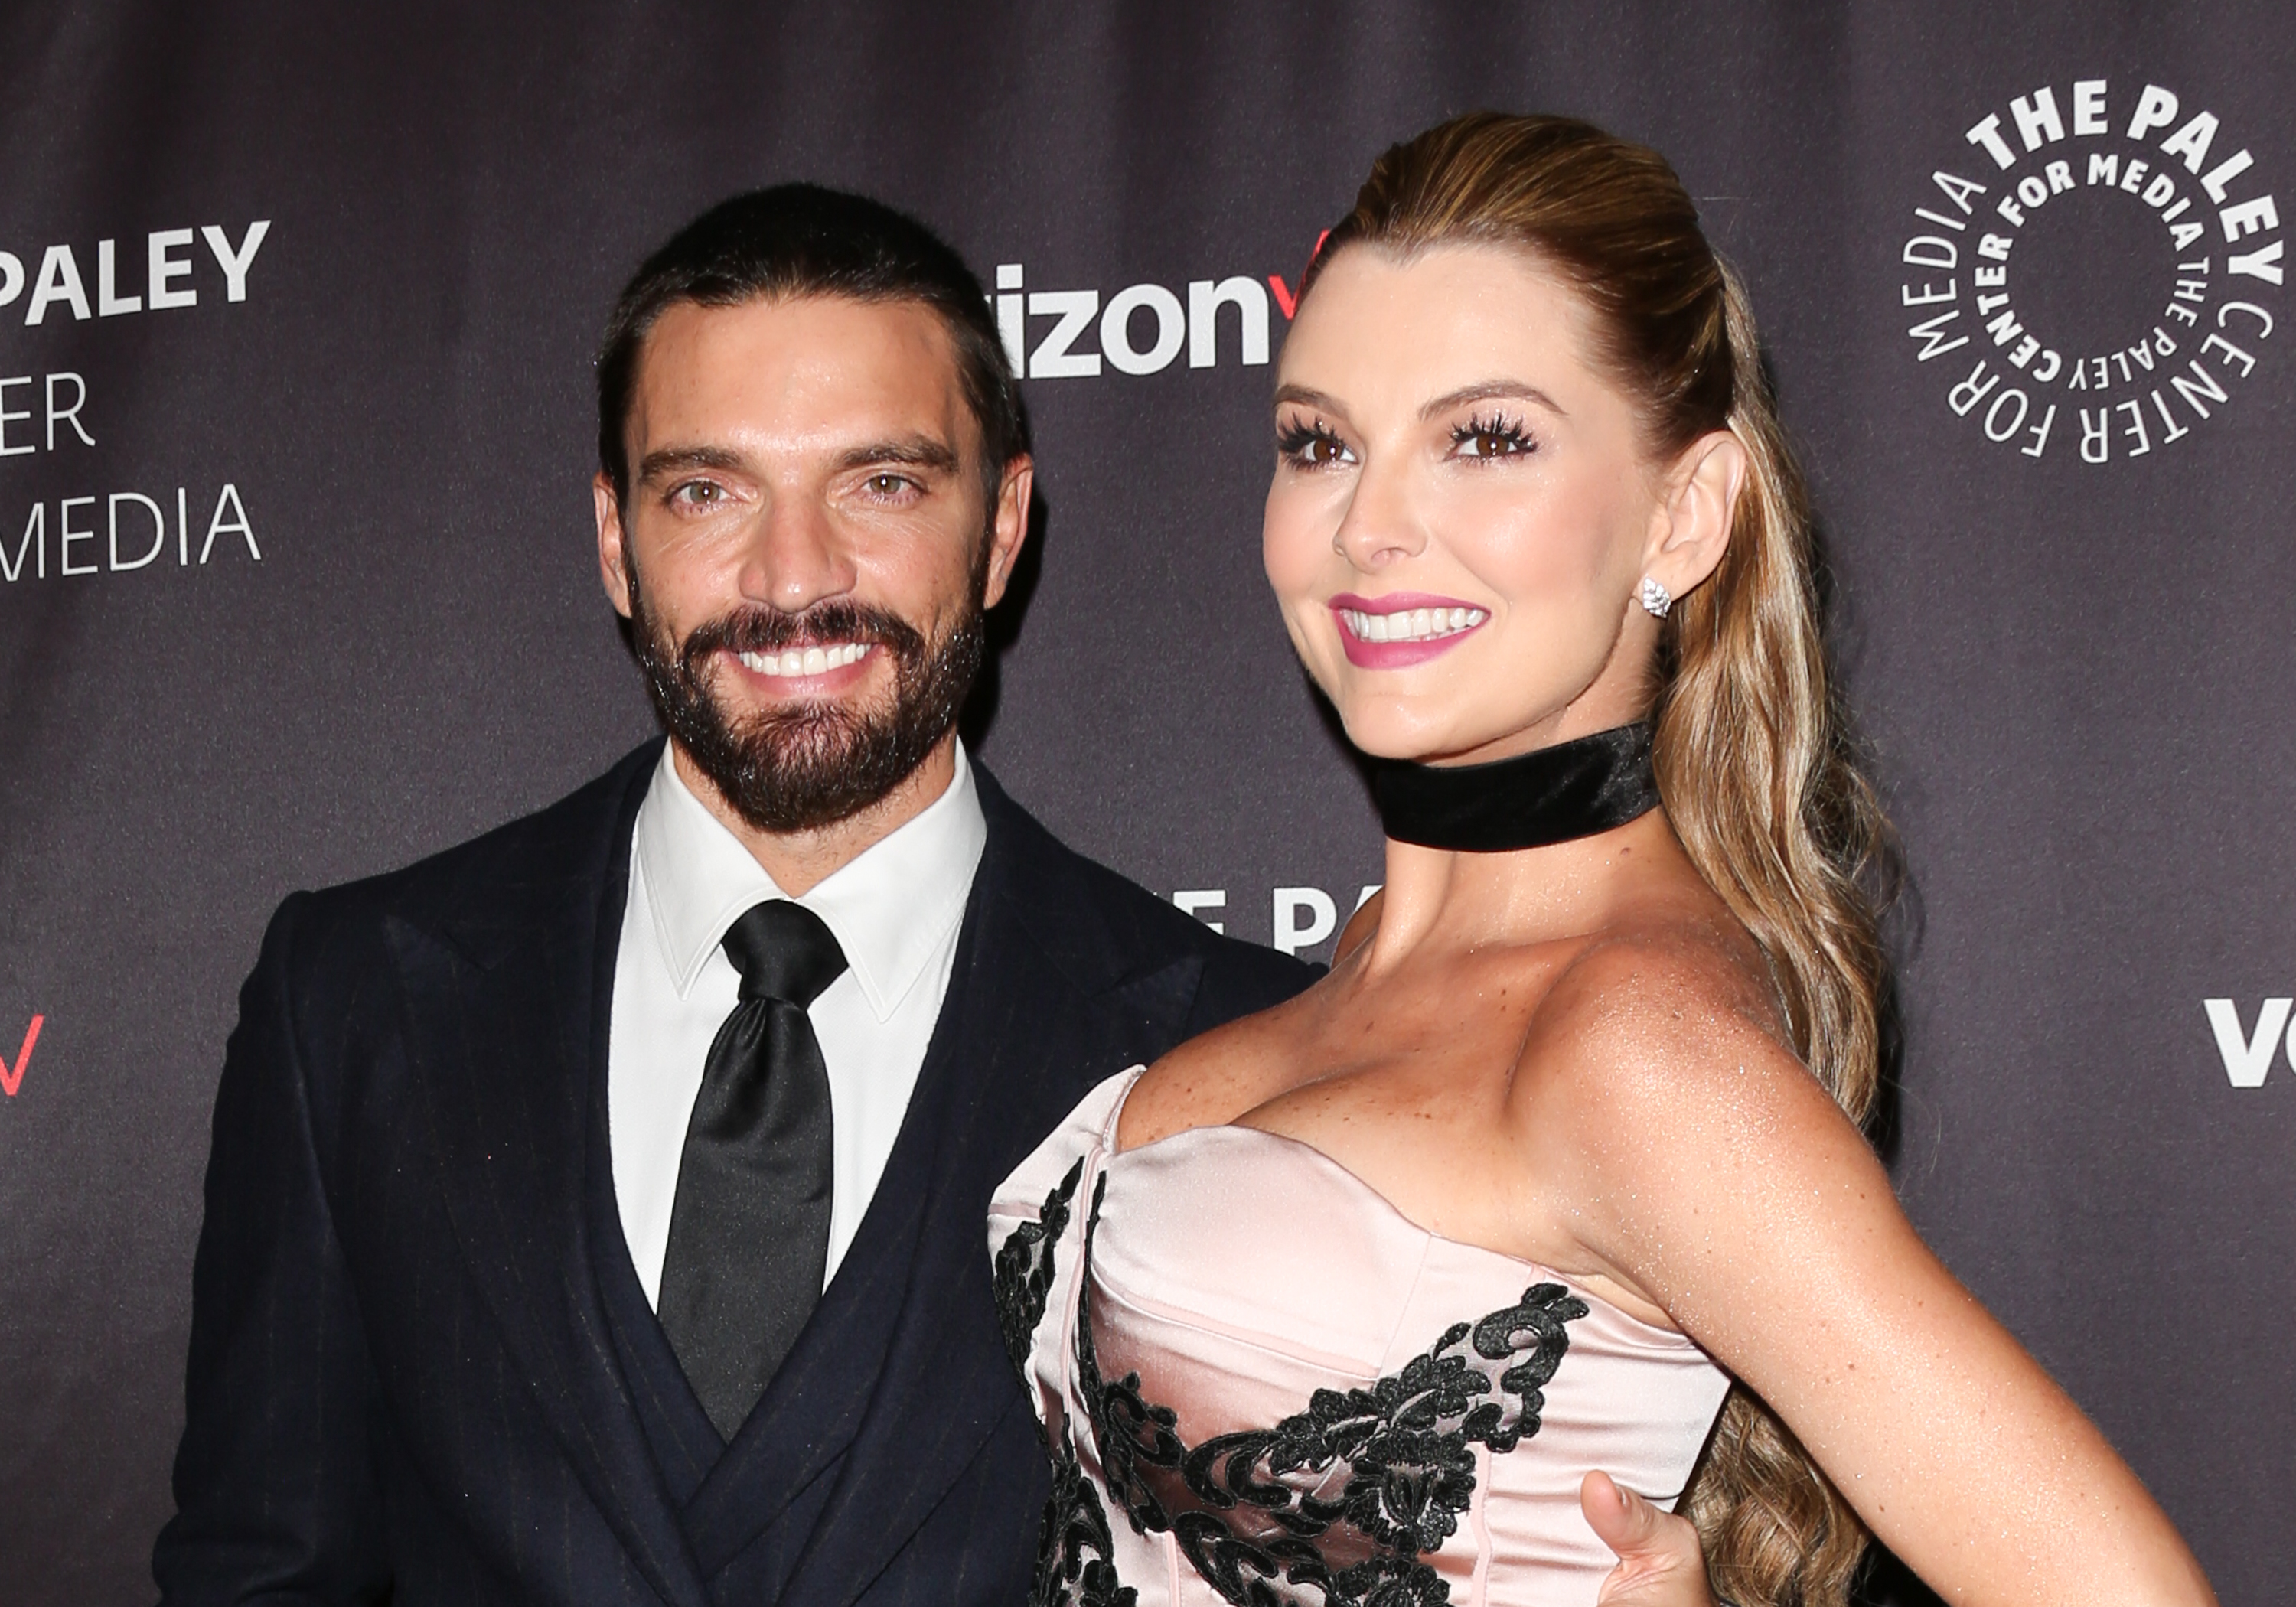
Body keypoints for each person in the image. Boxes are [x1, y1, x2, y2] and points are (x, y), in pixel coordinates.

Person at [152, 184, 1717, 1607]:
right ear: (617, 543)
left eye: (881, 483)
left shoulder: (1250, 1051)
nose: (791, 574)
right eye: (706, 493)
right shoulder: (353, 995)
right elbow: (257, 1572)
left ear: (1003, 527)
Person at [990, 113, 2221, 1607]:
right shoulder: (1392, 943)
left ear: (1684, 512)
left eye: (1486, 439)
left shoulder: (1640, 1053)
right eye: (1320, 442)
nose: (1370, 523)